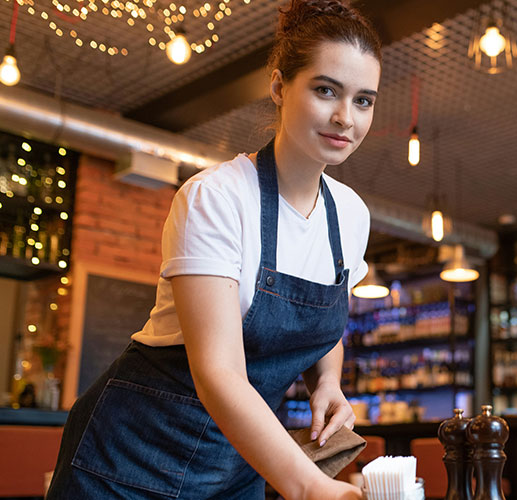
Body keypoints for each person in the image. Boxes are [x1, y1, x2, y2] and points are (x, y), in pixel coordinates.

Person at [48, 0, 381, 498]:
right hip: (127, 465)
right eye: (325, 90)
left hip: (237, 467)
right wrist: (311, 487)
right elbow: (218, 373)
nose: (344, 117)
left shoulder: (352, 216)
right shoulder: (217, 198)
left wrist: (327, 383)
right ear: (278, 86)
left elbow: (323, 316)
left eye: (363, 100)